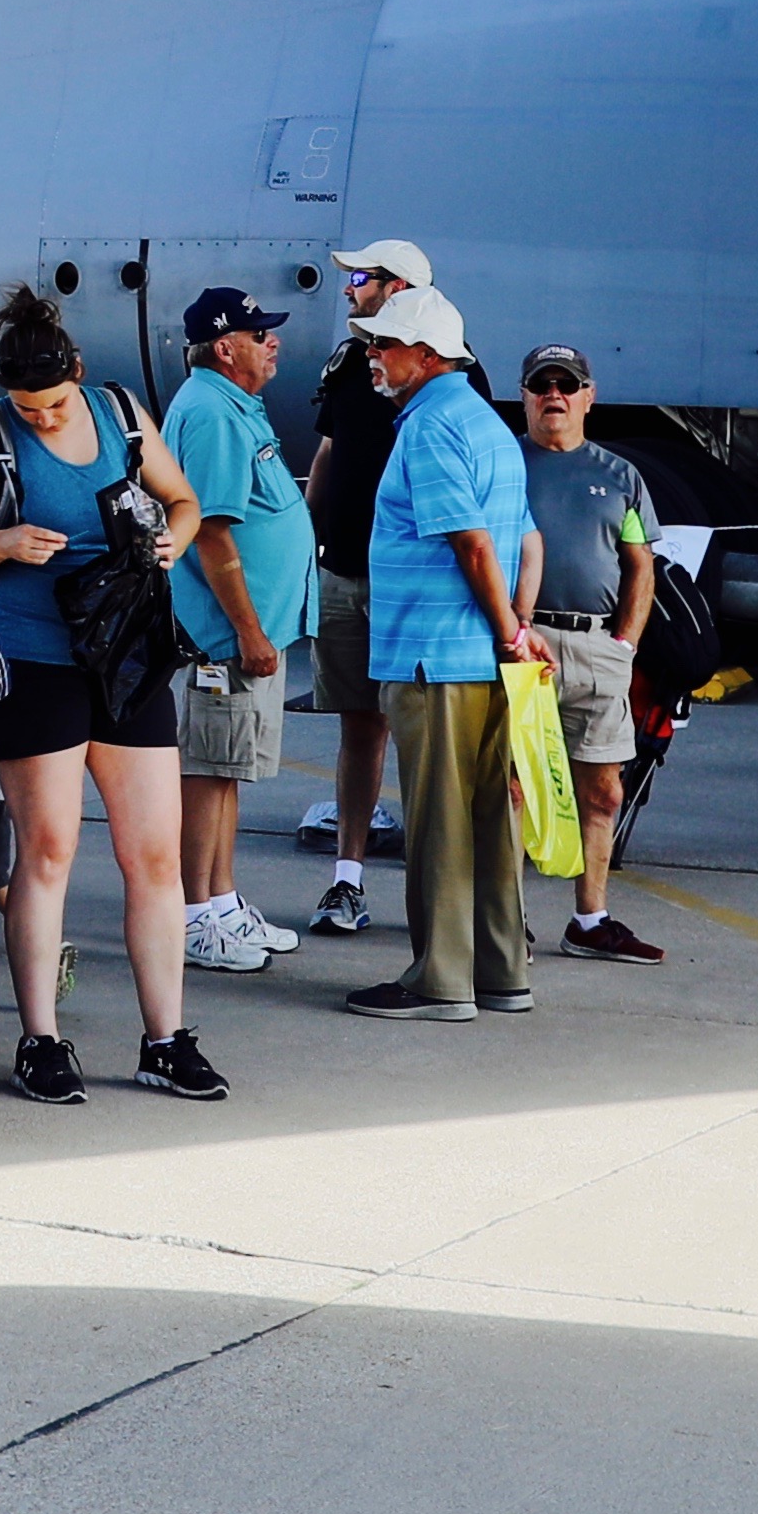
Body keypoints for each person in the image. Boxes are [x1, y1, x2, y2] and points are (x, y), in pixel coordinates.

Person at [0, 283, 217, 1102]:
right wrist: (1, 542)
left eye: (51, 404)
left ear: (76, 375)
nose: (41, 418)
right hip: (32, 655)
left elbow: (184, 501)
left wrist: (169, 543)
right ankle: (41, 1037)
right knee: (47, 852)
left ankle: (165, 1036)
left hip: (124, 652)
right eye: (27, 406)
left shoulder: (118, 412)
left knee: (153, 854)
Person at [342, 283, 542, 1018]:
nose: (372, 356)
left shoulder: (427, 427)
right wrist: (517, 626)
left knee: (437, 821)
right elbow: (525, 537)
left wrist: (503, 625)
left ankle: (439, 979)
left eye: (383, 345)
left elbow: (470, 540)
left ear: (425, 356)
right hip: (482, 656)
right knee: (491, 816)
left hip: (434, 653)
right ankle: (498, 971)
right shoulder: (487, 423)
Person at [151, 287, 317, 978]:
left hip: (247, 637)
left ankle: (218, 900)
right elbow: (210, 531)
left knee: (227, 772)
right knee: (207, 772)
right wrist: (247, 629)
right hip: (225, 639)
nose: (271, 340)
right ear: (225, 348)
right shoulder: (214, 414)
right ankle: (195, 915)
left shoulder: (232, 406)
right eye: (258, 332)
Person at [288, 235, 433, 935]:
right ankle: (346, 880)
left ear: (398, 287)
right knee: (356, 723)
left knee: (422, 729)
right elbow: (327, 451)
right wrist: (301, 547)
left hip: (410, 585)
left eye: (362, 279)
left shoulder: (439, 365)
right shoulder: (350, 361)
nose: (348, 289)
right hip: (342, 570)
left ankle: (437, 885)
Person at [510, 348, 669, 965]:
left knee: (603, 791)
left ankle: (590, 919)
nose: (555, 395)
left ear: (588, 395)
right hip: (525, 645)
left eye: (566, 385)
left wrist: (625, 644)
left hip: (599, 650)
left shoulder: (622, 475)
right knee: (515, 788)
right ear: (524, 394)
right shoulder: (504, 465)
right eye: (541, 385)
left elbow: (640, 566)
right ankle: (507, 920)